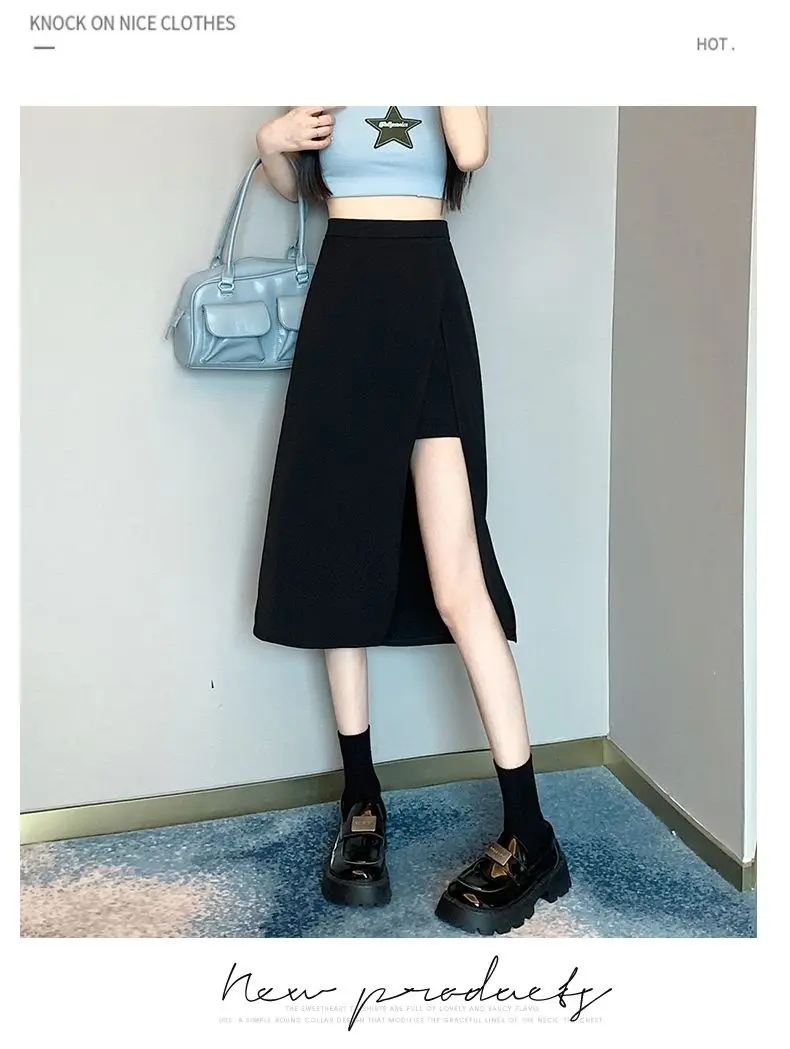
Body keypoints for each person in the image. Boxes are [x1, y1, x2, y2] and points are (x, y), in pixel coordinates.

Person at [252, 106, 571, 935]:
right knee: (339, 552)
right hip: (342, 299)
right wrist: (271, 144)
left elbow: (470, 148)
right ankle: (361, 800)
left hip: (423, 294)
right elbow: (299, 186)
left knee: (457, 577)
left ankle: (531, 832)